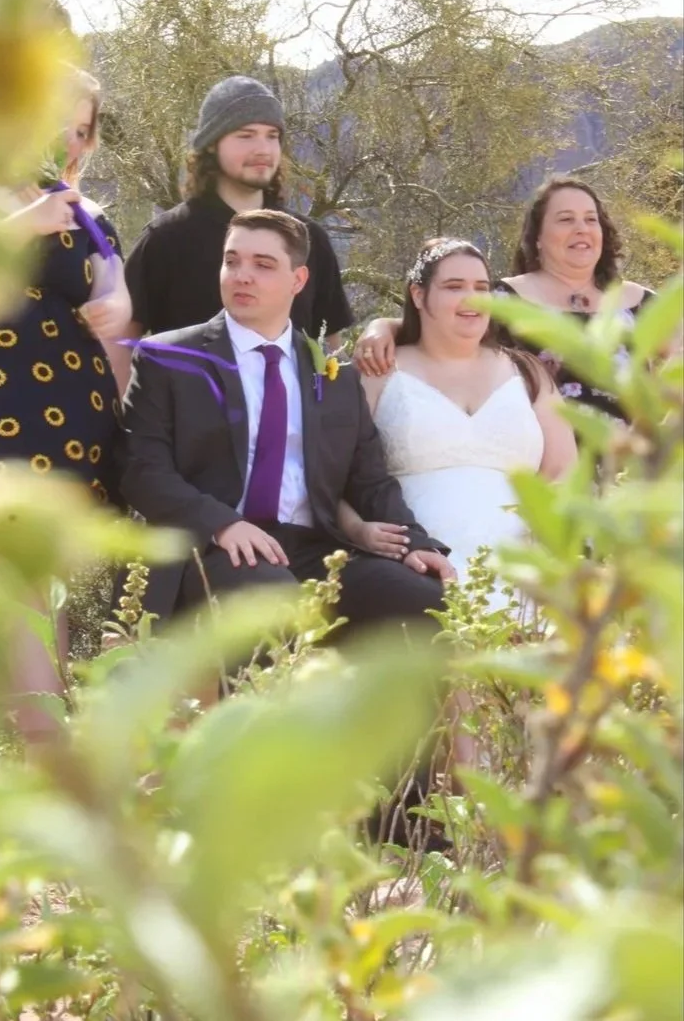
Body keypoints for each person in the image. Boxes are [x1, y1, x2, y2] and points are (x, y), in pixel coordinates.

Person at [120, 210, 455, 637]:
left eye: (263, 265)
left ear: (298, 281)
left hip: (314, 548)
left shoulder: (334, 376)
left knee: (426, 600)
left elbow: (369, 480)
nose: (242, 275)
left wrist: (417, 543)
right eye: (232, 261)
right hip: (212, 545)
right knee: (270, 597)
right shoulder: (168, 358)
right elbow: (141, 469)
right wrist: (222, 523)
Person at [0, 66, 133, 738]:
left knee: (39, 582)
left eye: (80, 130)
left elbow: (117, 318)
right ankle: (41, 737)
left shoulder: (91, 216)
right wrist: (23, 223)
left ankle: (39, 737)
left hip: (74, 423)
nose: (66, 142)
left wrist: (117, 307)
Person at [340, 239, 576, 611]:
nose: (472, 300)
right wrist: (359, 531)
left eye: (481, 289)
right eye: (454, 287)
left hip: (526, 561)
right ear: (419, 295)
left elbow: (563, 468)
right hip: (415, 563)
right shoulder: (377, 371)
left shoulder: (527, 372)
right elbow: (331, 473)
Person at [352, 175, 654, 422]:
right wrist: (381, 328)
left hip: (634, 477)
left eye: (591, 219)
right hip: (540, 472)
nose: (581, 229)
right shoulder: (505, 299)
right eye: (566, 219)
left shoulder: (643, 304)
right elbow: (440, 326)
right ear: (537, 238)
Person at [124, 76, 353, 350]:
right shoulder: (165, 239)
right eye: (246, 135)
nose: (263, 149)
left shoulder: (307, 239)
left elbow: (331, 349)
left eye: (272, 136)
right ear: (211, 143)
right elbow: (120, 343)